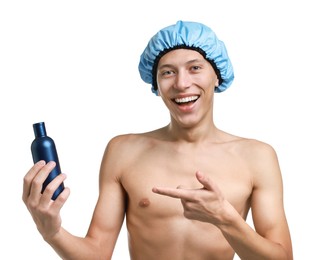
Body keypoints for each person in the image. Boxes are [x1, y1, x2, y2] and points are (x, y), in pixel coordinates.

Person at [22, 20, 293, 259]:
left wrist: (226, 220)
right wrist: (52, 231)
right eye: (168, 72)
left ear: (216, 75)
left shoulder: (257, 156)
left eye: (195, 68)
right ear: (156, 84)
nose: (181, 83)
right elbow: (97, 253)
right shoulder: (123, 151)